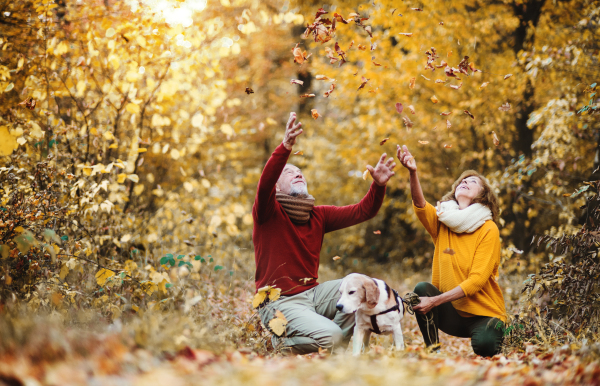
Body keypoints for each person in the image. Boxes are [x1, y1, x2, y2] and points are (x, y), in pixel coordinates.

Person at [253, 112, 396, 355]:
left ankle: (335, 347)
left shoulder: (318, 215)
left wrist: (378, 185)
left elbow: (363, 211)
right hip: (279, 302)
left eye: (300, 171)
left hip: (314, 295)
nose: (298, 173)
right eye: (289, 172)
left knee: (359, 286)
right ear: (277, 186)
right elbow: (264, 183)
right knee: (333, 336)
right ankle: (280, 345)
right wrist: (285, 147)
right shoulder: (267, 212)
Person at [397, 144, 506, 357]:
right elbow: (420, 205)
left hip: (484, 314)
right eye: (462, 181)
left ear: (483, 195)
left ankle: (493, 335)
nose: (464, 181)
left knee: (486, 347)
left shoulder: (488, 228)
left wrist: (435, 301)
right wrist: (413, 172)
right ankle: (433, 352)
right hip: (452, 314)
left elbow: (476, 281)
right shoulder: (443, 221)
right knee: (422, 289)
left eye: (472, 181)